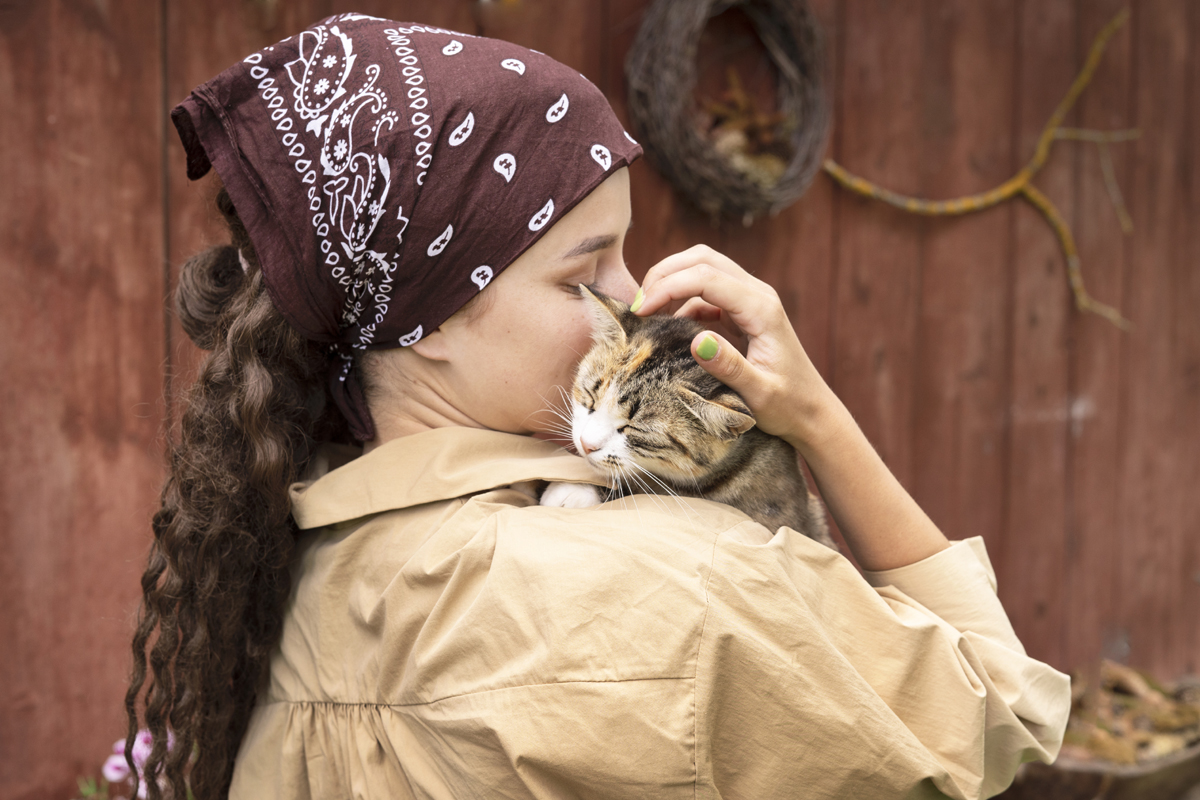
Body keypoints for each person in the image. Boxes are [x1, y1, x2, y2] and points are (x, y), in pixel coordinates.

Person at [128, 13, 1071, 800]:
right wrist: (819, 418)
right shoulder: (684, 590)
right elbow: (1002, 716)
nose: (638, 296)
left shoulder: (290, 566)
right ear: (432, 320)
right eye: (587, 269)